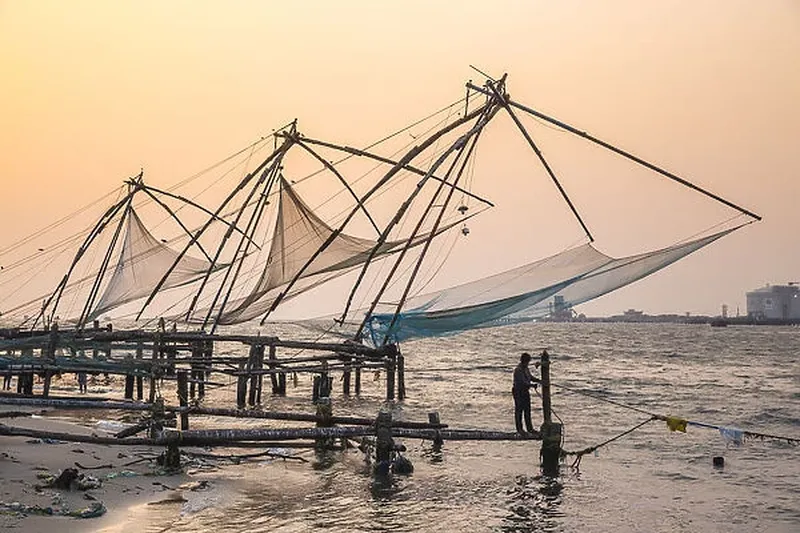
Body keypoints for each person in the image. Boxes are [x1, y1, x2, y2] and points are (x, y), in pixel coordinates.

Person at [512, 352, 539, 434]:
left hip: (525, 391)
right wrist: (531, 385)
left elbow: (530, 377)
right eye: (527, 361)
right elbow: (522, 382)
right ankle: (520, 429)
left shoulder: (526, 369)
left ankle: (530, 429)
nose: (528, 363)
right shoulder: (518, 370)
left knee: (527, 410)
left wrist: (538, 380)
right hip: (518, 391)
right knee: (519, 410)